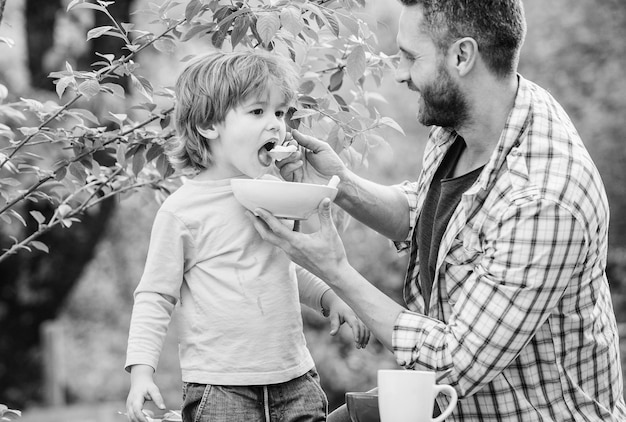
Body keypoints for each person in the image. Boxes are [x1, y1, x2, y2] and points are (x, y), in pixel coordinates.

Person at [249, 0, 626, 421]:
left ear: (462, 56)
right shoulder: (467, 124)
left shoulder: (545, 197)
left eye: (411, 57)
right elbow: (426, 215)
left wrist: (334, 269)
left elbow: (454, 361)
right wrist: (341, 187)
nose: (399, 73)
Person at [124, 50, 370, 422]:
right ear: (209, 124)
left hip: (295, 379)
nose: (275, 125)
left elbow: (285, 264)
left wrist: (329, 297)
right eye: (258, 112)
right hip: (221, 388)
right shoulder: (183, 211)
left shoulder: (273, 192)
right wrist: (142, 371)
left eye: (280, 113)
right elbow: (155, 297)